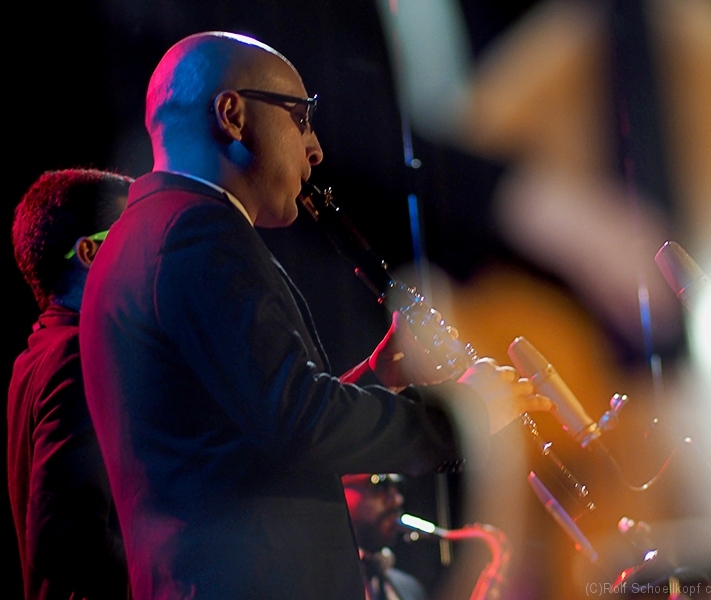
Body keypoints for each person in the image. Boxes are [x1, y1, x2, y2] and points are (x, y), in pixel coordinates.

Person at [79, 31, 550, 599]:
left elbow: (250, 437)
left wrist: (377, 377)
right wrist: (460, 417)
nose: (316, 148)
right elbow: (298, 420)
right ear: (232, 115)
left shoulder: (149, 233)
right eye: (300, 118)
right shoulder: (197, 235)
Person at [8, 168, 132, 599]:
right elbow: (63, 538)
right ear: (89, 252)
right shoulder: (78, 355)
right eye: (134, 233)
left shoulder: (41, 351)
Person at [343, 473, 428, 600]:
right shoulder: (316, 584)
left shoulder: (411, 588)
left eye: (398, 486)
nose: (397, 500)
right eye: (380, 485)